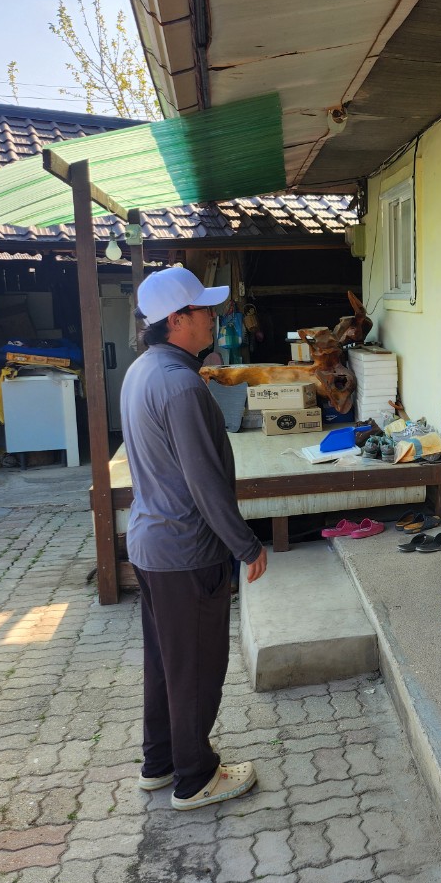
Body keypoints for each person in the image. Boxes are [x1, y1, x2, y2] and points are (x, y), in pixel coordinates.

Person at [121, 265, 268, 811]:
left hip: (152, 544)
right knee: (197, 669)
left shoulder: (143, 371)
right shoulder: (180, 384)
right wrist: (246, 545)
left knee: (166, 663)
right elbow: (204, 481)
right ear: (177, 319)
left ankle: (160, 762)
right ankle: (195, 777)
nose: (214, 317)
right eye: (204, 310)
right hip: (185, 551)